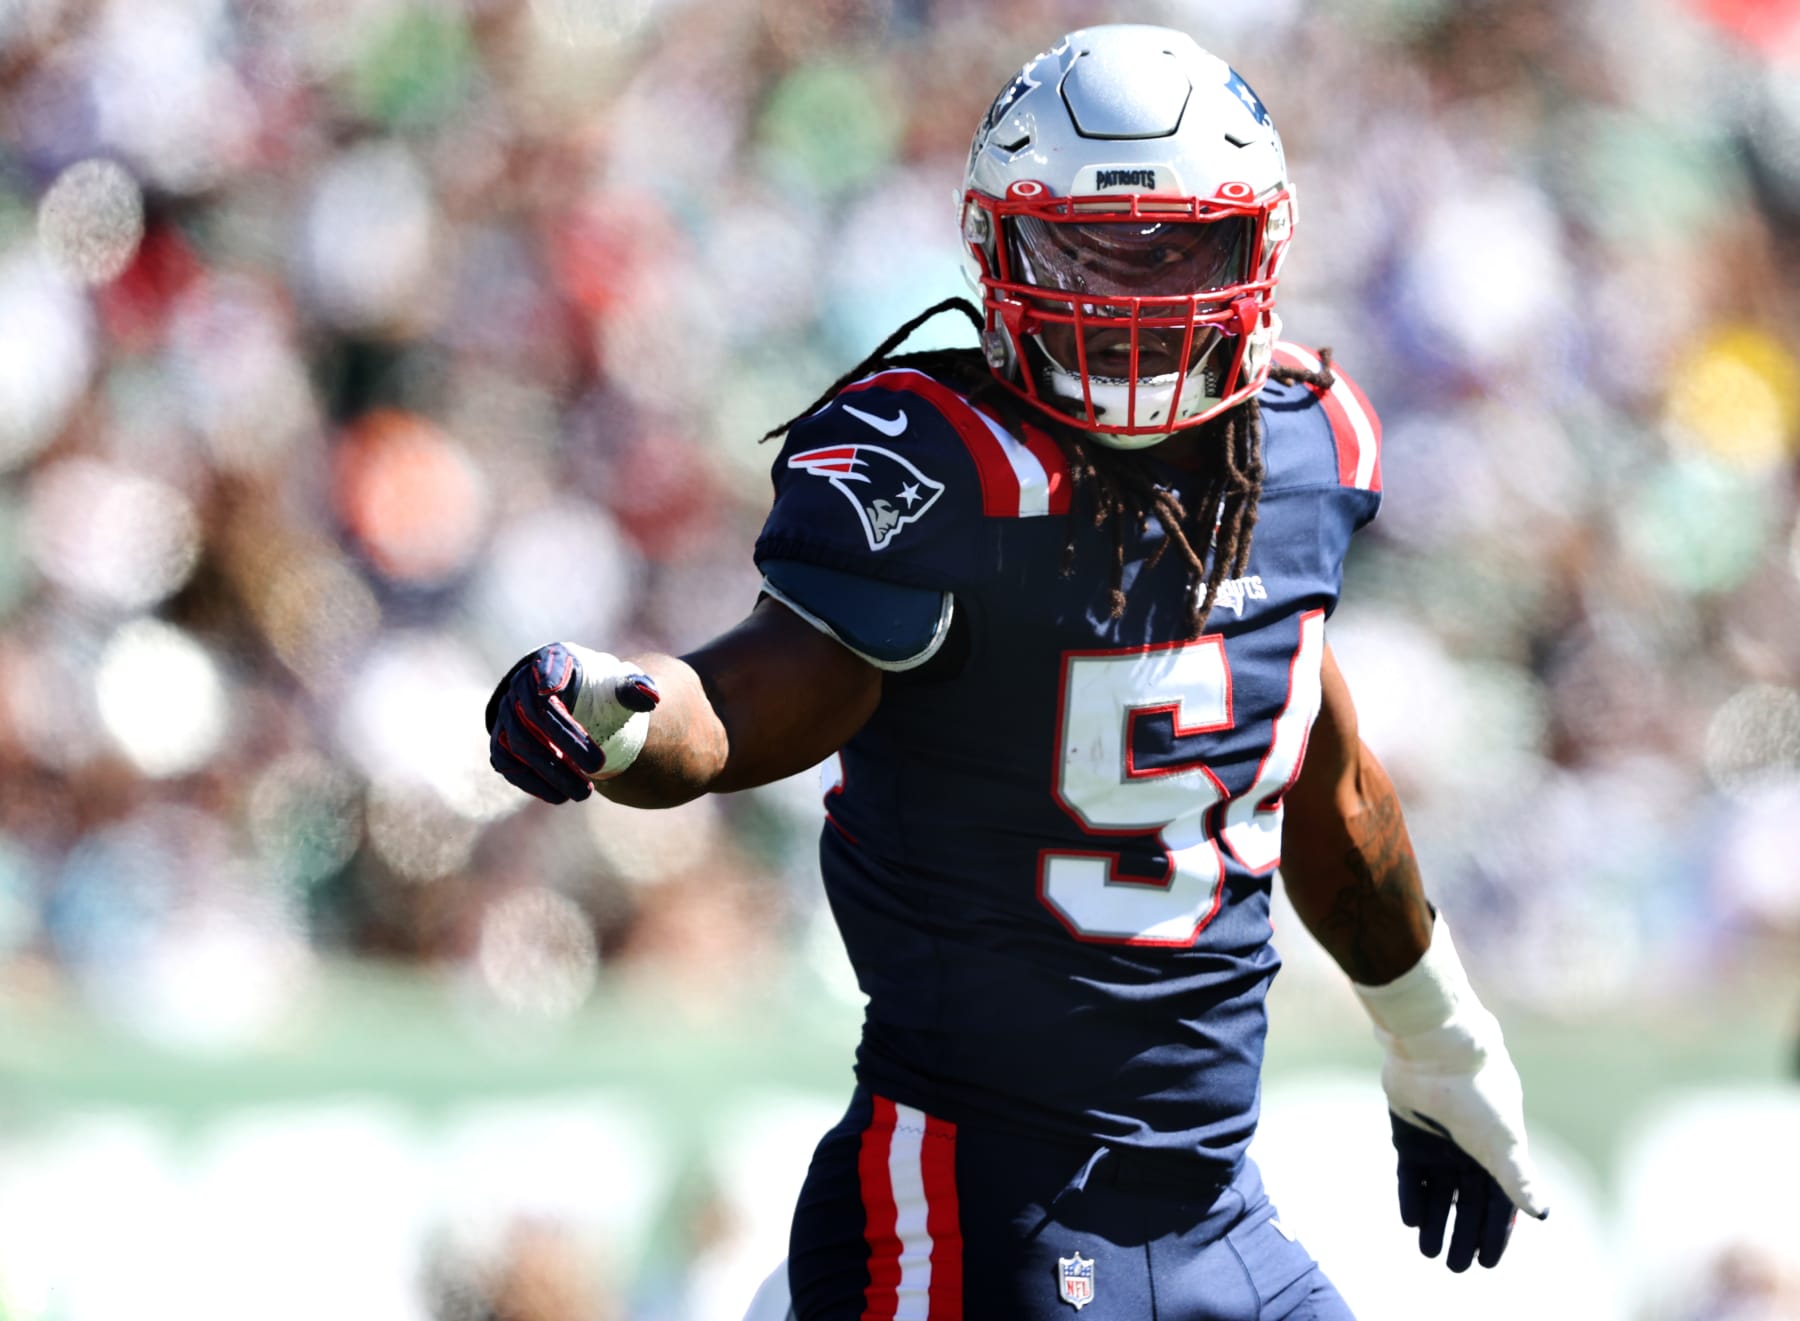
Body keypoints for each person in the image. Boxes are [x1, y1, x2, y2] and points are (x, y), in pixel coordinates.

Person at [487, 24, 1548, 1320]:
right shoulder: (937, 467)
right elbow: (756, 694)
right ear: (1000, 251)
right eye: (1092, 252)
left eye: (1177, 249)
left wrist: (1438, 1037)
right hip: (973, 1212)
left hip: (1214, 1206)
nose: (1138, 297)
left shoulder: (1307, 444)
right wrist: (626, 711)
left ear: (1259, 250)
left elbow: (1321, 780)